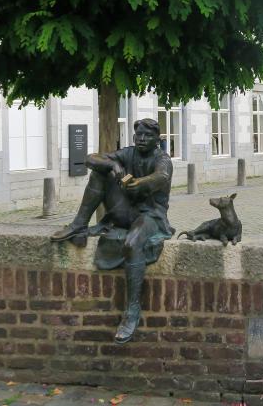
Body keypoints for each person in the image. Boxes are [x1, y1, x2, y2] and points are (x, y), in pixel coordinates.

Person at [50, 118, 174, 343]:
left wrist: (141, 182)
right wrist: (113, 166)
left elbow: (161, 176)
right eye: (138, 136)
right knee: (100, 171)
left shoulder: (162, 159)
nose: (142, 140)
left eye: (147, 136)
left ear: (157, 140)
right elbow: (90, 159)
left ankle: (132, 309)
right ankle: (79, 223)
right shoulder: (128, 153)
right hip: (125, 211)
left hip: (149, 217)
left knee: (131, 243)